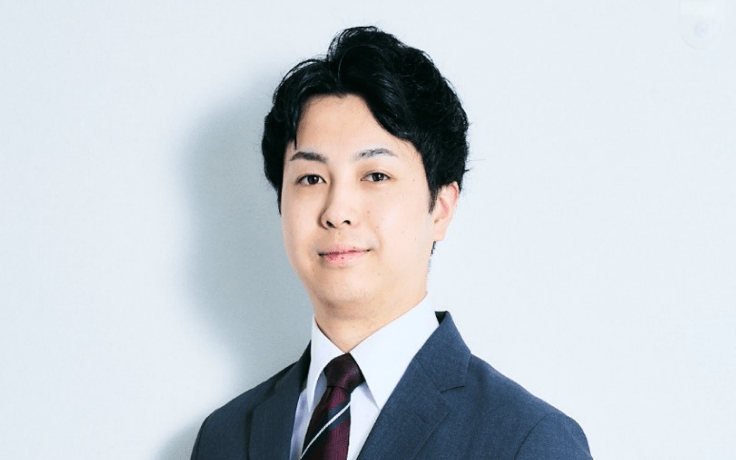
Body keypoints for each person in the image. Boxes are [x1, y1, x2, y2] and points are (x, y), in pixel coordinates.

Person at [190, 26, 593, 460]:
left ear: (441, 207)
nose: (337, 211)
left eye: (376, 176)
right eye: (311, 178)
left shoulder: (529, 440)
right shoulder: (225, 436)